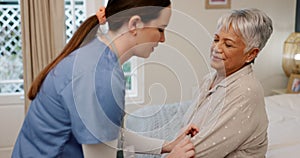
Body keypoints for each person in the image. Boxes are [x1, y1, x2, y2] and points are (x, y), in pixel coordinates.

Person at [12, 0, 199, 157]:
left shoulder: (97, 55)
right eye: (160, 29)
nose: (163, 39)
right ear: (135, 24)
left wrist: (167, 146)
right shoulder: (100, 76)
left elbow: (110, 134)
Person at [182, 8, 273, 157]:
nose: (216, 48)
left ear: (251, 54)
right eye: (216, 39)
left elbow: (195, 153)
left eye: (228, 45)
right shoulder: (210, 79)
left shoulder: (245, 92)